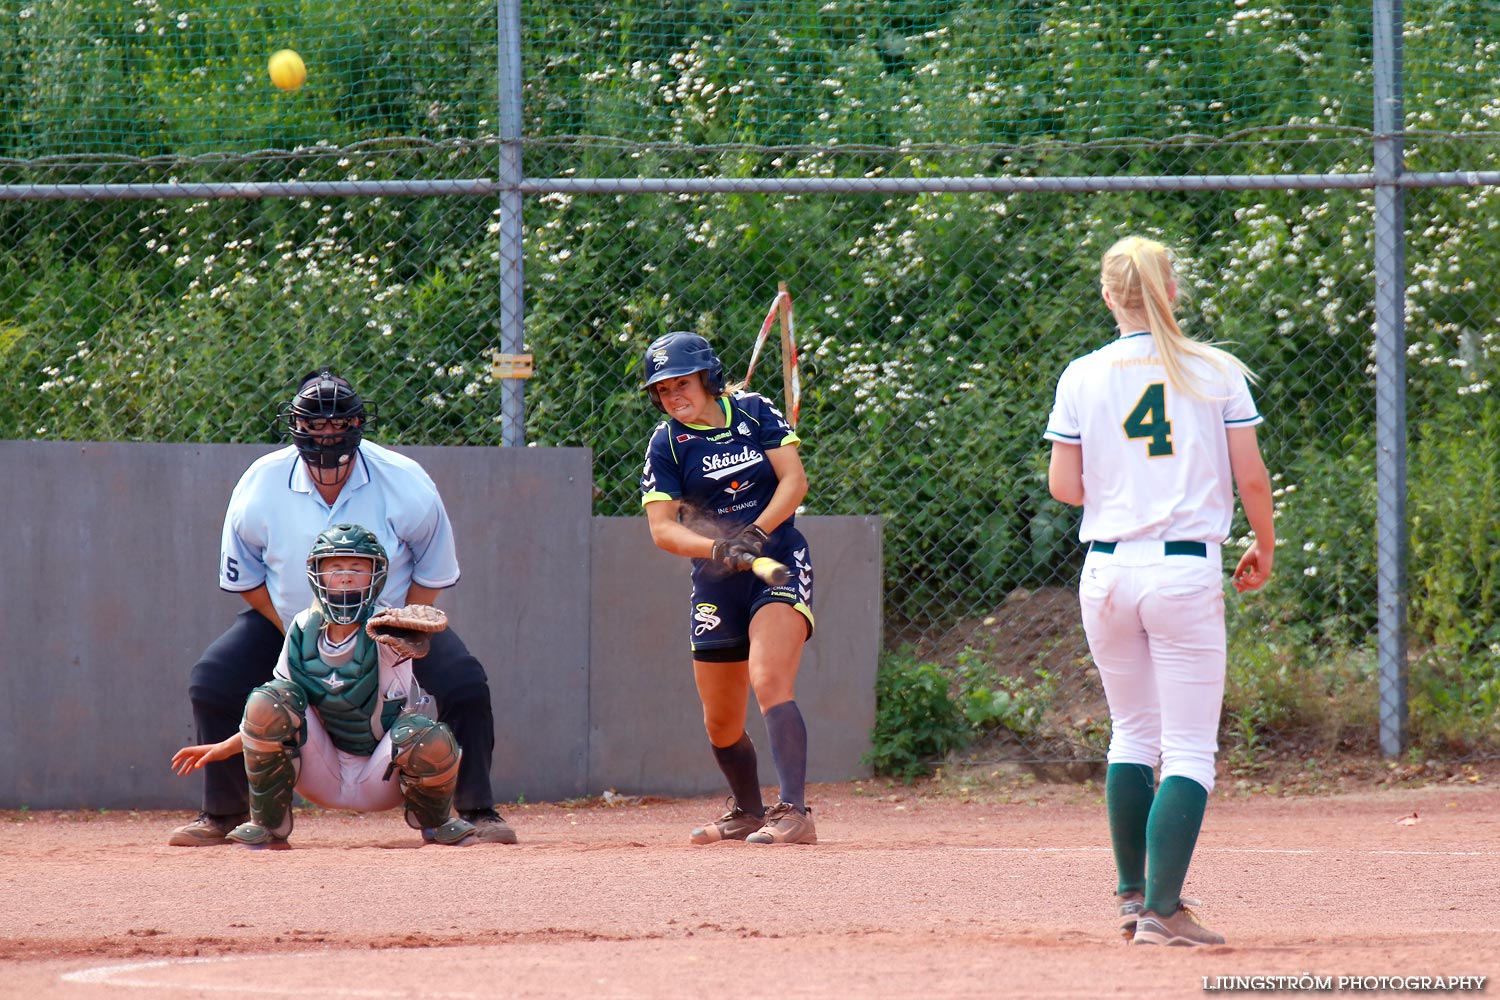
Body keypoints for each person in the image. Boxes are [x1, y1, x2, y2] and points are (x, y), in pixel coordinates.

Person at [169, 366, 517, 846]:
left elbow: (432, 570)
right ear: (296, 427)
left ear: (358, 425)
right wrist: (299, 630)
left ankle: (477, 809)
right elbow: (246, 575)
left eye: (338, 425)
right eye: (315, 425)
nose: (327, 436)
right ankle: (224, 813)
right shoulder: (261, 482)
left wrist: (403, 631)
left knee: (466, 684)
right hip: (288, 619)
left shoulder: (403, 479)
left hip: (385, 626)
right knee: (212, 681)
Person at [1043, 236, 1274, 947]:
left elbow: (1064, 488)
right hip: (1183, 568)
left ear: (1110, 296)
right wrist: (1263, 544)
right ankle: (1163, 914)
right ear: (1172, 291)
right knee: (1189, 749)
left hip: (1108, 569)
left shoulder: (1082, 373)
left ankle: (1135, 893)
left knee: (1133, 734)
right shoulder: (1215, 370)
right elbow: (1252, 478)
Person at [171, 524, 479, 847]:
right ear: (316, 574)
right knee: (269, 700)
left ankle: (437, 824)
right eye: (335, 568)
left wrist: (408, 637)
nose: (345, 576)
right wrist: (223, 748)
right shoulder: (303, 628)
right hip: (322, 771)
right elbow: (270, 713)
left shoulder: (387, 629)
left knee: (428, 735)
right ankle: (268, 825)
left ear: (377, 576)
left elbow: (413, 643)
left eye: (357, 568)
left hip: (381, 774)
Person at [638, 331, 818, 845]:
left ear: (708, 378)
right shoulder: (667, 442)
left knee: (768, 679)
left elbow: (793, 481)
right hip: (717, 580)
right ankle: (745, 810)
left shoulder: (755, 412)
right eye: (664, 391)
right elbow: (663, 529)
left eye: (683, 384)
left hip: (778, 557)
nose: (674, 398)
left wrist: (757, 533)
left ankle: (795, 812)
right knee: (720, 722)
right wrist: (717, 549)